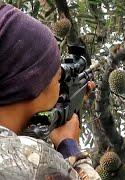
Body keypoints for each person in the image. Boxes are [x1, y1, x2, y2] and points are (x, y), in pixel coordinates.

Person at [0, 2, 100, 180]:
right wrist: (69, 146)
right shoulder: (35, 160)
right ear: (34, 83)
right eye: (58, 75)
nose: (59, 82)